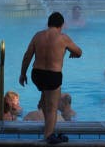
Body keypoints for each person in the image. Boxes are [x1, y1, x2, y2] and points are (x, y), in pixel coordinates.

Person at [19, 11, 82, 145]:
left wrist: (23, 74)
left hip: (36, 74)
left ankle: (47, 119)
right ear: (61, 25)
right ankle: (49, 136)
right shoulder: (63, 38)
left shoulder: (38, 36)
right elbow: (79, 52)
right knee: (52, 108)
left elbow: (27, 56)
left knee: (45, 98)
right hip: (53, 76)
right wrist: (73, 53)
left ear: (48, 23)